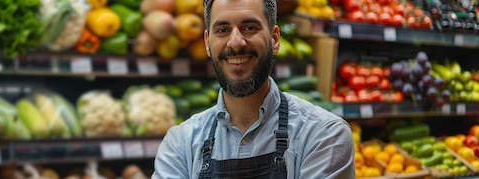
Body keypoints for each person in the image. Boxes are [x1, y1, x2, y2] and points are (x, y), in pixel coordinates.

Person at [152, 0, 355, 178]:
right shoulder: (180, 144)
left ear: (275, 39)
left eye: (249, 28)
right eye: (222, 30)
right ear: (207, 43)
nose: (236, 42)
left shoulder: (323, 135)